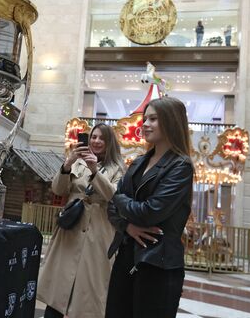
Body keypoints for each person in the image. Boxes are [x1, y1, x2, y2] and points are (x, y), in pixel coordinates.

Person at [105, 96, 193, 318]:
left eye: (153, 119)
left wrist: (117, 197)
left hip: (158, 264)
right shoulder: (138, 163)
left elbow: (150, 212)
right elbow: (112, 209)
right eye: (145, 119)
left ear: (171, 121)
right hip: (126, 255)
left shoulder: (180, 166)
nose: (145, 124)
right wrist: (128, 227)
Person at [38, 123, 125, 318]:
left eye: (102, 138)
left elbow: (113, 196)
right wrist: (67, 165)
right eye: (93, 137)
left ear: (109, 142)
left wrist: (95, 171)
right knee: (58, 290)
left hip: (98, 235)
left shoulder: (117, 169)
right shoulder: (77, 163)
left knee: (87, 295)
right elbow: (58, 190)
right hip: (70, 231)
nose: (96, 141)